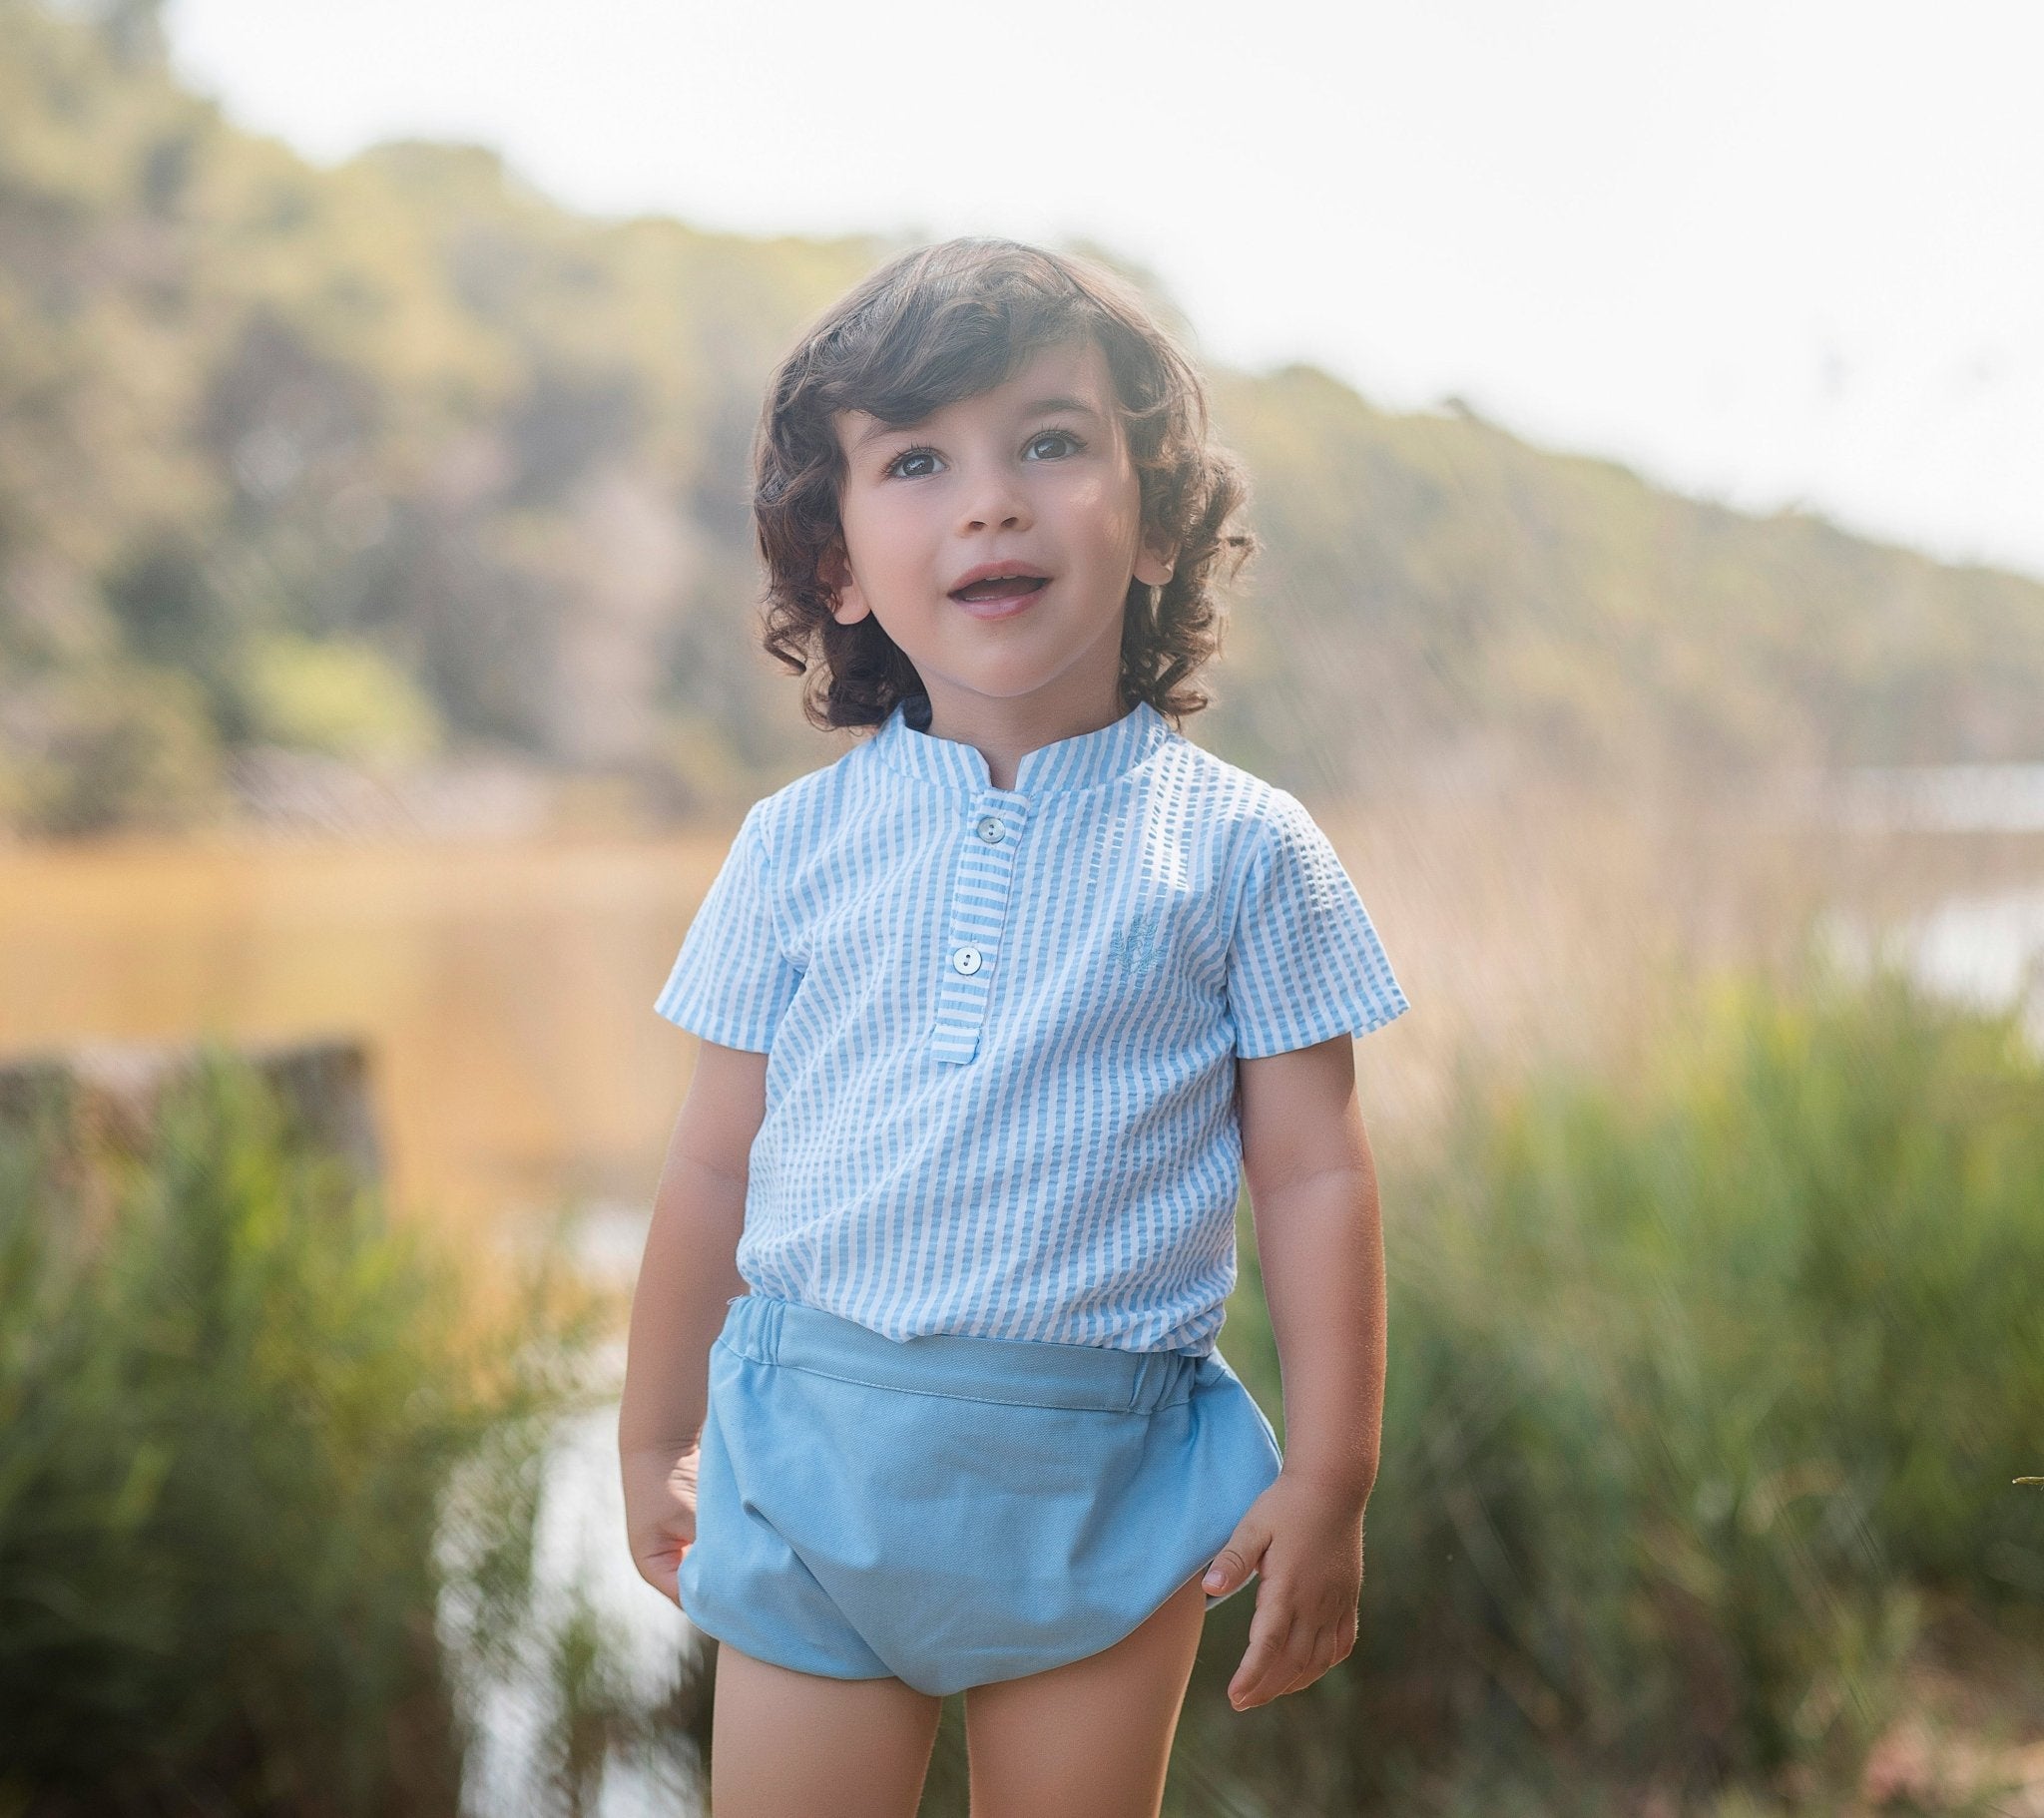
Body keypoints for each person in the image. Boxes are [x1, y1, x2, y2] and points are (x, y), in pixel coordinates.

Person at [618, 236, 1409, 1818]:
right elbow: (712, 1168)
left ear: (1161, 520)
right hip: (811, 1475)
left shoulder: (1245, 850)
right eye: (916, 460)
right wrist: (653, 1438)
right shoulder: (790, 848)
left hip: (1101, 1493)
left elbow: (1317, 1175)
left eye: (1050, 440)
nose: (990, 498)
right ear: (836, 563)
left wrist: (1330, 1477)